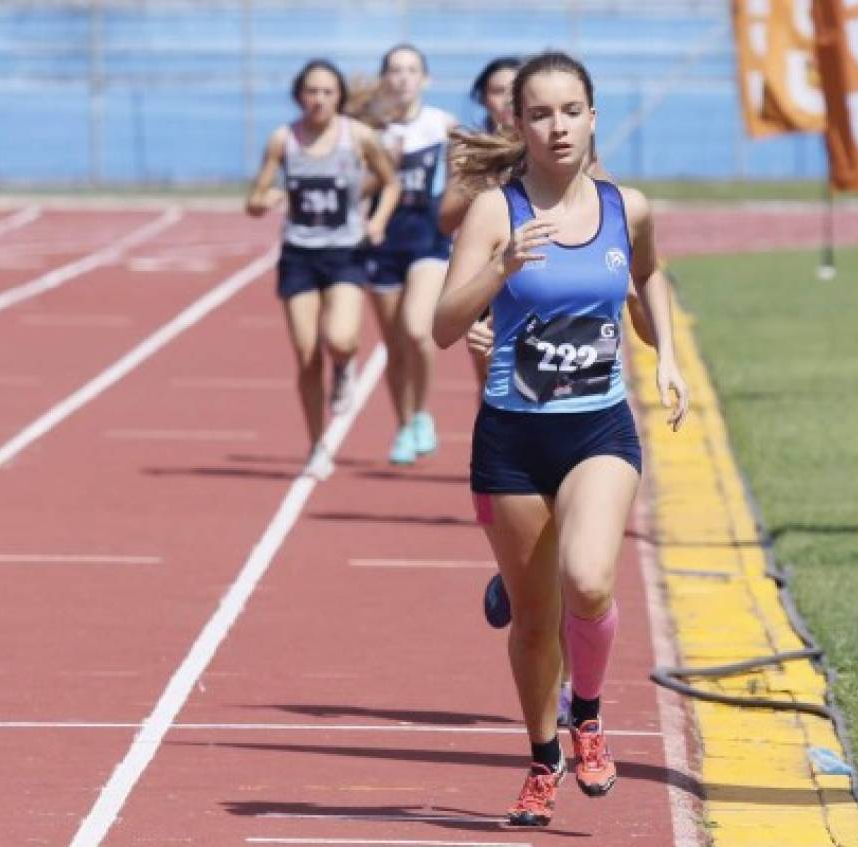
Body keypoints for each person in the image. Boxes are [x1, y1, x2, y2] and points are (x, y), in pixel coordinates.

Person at [432, 51, 688, 827]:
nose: (557, 126)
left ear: (592, 116)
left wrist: (665, 352)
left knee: (591, 579)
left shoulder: (626, 206)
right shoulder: (493, 212)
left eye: (570, 110)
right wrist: (501, 267)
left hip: (598, 429)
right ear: (519, 123)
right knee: (536, 618)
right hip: (512, 440)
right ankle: (542, 761)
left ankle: (589, 713)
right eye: (539, 113)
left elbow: (647, 276)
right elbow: (444, 326)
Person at [246, 59, 400, 480]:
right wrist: (266, 200)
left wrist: (379, 220)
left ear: (339, 97)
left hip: (345, 252)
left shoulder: (359, 137)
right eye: (311, 91)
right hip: (299, 255)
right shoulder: (284, 140)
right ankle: (317, 445)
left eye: (328, 92)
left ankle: (345, 367)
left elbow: (391, 181)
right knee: (305, 353)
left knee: (341, 337)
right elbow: (253, 199)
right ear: (299, 95)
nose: (319, 99)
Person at [361, 44, 457, 465]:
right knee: (394, 346)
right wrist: (387, 167)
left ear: (425, 79)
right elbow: (355, 192)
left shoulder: (442, 126)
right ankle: (404, 424)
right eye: (395, 71)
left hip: (429, 241)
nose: (402, 78)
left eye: (411, 70)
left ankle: (421, 416)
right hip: (383, 243)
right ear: (384, 78)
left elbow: (462, 182)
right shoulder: (371, 132)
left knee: (418, 331)